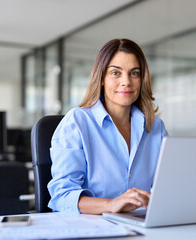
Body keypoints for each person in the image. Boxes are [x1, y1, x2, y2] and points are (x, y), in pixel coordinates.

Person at [48, 38, 168, 214]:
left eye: (134, 73)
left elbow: (168, 187)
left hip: (143, 225)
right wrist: (110, 205)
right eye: (115, 73)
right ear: (102, 78)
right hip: (94, 227)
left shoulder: (155, 127)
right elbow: (62, 196)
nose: (126, 81)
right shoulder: (77, 122)